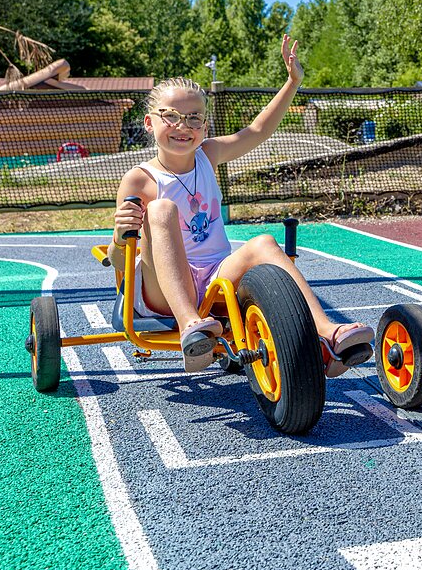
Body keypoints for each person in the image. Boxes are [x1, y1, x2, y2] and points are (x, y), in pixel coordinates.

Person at [110, 37, 373, 374]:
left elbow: (258, 130)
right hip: (163, 290)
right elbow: (120, 260)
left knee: (263, 242)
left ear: (205, 126)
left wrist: (293, 82)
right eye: (171, 116)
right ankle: (191, 327)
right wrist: (119, 236)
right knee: (162, 210)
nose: (183, 127)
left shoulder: (208, 154)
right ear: (150, 122)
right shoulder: (139, 179)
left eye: (193, 118)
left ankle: (327, 332)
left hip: (216, 278)